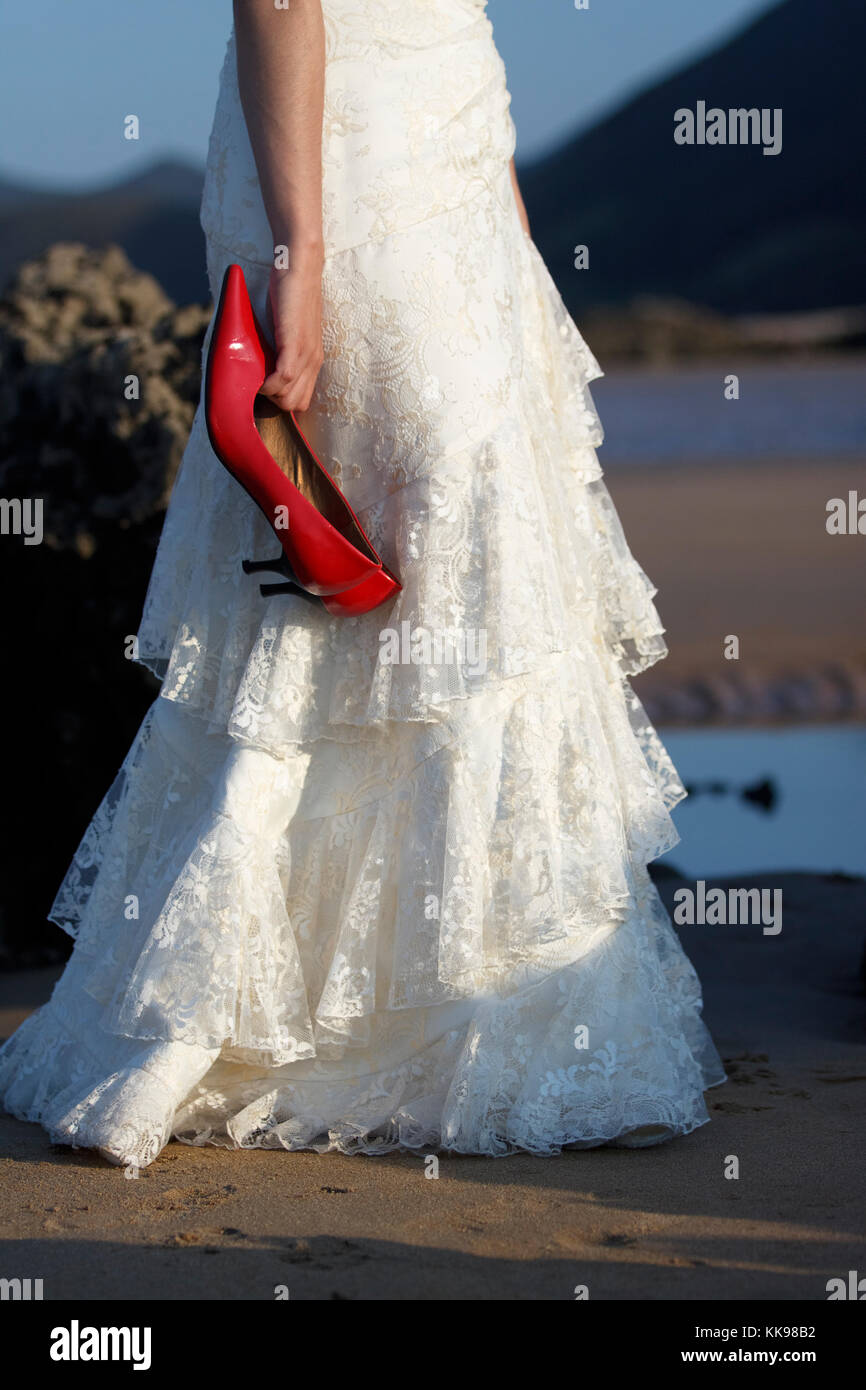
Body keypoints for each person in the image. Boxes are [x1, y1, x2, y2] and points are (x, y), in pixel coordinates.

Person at [0, 0, 724, 1168]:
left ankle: (467, 1016)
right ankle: (258, 1016)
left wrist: (501, 209)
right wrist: (301, 251)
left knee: (461, 559)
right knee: (374, 541)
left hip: (449, 143)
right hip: (345, 160)